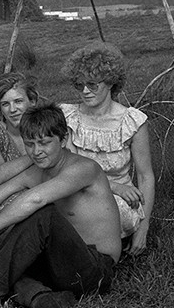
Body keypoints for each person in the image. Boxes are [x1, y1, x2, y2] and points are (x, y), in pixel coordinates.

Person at [0, 103, 122, 308]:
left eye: (44, 143)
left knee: (44, 215)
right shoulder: (36, 172)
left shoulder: (84, 168)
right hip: (53, 264)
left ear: (63, 140)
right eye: (30, 144)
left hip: (93, 268)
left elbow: (36, 199)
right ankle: (39, 297)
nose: (36, 152)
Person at [61, 42, 155, 257]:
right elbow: (66, 167)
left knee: (93, 215)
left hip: (118, 202)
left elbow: (145, 176)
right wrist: (114, 186)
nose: (85, 91)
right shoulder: (68, 117)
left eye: (92, 84)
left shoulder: (132, 121)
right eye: (79, 84)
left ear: (111, 82)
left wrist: (144, 227)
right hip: (75, 191)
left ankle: (93, 256)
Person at [0, 72, 38, 198]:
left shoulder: (43, 130)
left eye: (18, 101)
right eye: (5, 104)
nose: (13, 109)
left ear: (32, 101)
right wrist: (39, 154)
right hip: (0, 203)